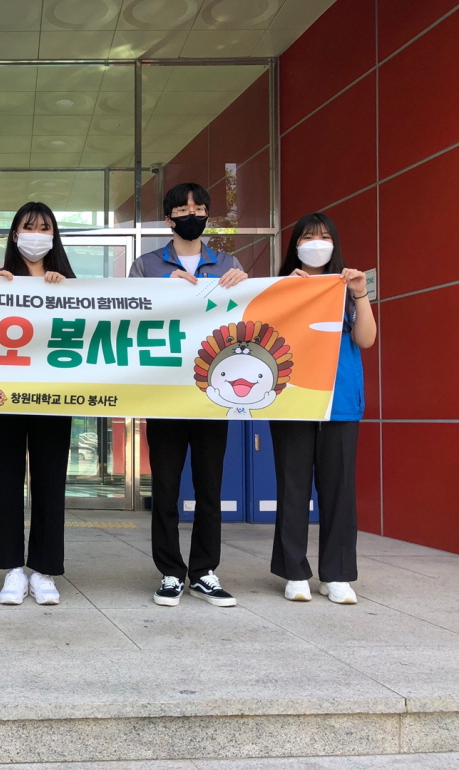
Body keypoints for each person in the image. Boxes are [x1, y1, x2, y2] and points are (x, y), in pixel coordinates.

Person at [128, 182, 247, 608]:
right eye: (182, 209)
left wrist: (246, 285)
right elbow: (129, 314)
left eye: (198, 208)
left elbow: (250, 315)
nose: (191, 214)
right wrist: (164, 289)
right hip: (164, 393)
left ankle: (204, 572)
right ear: (169, 219)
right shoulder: (146, 266)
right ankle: (170, 572)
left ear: (208, 215)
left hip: (213, 393)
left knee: (209, 487)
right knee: (165, 488)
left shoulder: (229, 263)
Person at [270, 213, 376, 605]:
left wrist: (360, 293)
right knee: (293, 486)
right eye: (308, 237)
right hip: (293, 399)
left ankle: (338, 574)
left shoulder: (347, 286)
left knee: (339, 489)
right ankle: (294, 572)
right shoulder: (279, 287)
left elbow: (366, 339)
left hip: (341, 400)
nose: (317, 243)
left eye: (325, 236)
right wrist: (286, 292)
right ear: (295, 244)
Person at [0, 202, 75, 605]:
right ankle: (11, 569)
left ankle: (44, 570)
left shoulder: (71, 285)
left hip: (54, 396)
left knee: (50, 480)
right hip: (1, 395)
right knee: (4, 478)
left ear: (54, 236)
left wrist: (64, 289)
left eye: (44, 228)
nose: (36, 235)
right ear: (14, 234)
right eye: (28, 227)